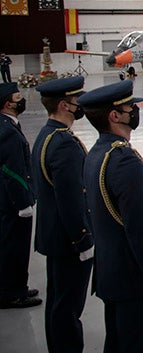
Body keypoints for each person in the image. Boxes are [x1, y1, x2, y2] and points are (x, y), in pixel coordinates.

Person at [78, 80, 143, 353]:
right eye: (130, 107)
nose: (135, 110)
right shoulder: (123, 161)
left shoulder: (97, 153)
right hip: (135, 281)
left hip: (112, 273)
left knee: (118, 343)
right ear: (114, 115)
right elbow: (139, 227)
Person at [31, 77, 94, 349]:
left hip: (53, 234)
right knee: (68, 307)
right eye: (76, 100)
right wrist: (83, 240)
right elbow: (71, 198)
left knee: (58, 302)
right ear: (63, 105)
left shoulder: (47, 135)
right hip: (69, 240)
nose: (80, 105)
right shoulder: (64, 144)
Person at [0, 82, 40, 309]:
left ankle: (16, 286)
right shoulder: (8, 132)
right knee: (14, 247)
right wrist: (23, 202)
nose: (21, 100)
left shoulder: (7, 125)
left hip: (8, 201)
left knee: (11, 245)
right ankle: (12, 292)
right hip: (13, 203)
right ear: (8, 104)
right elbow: (12, 171)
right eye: (17, 97)